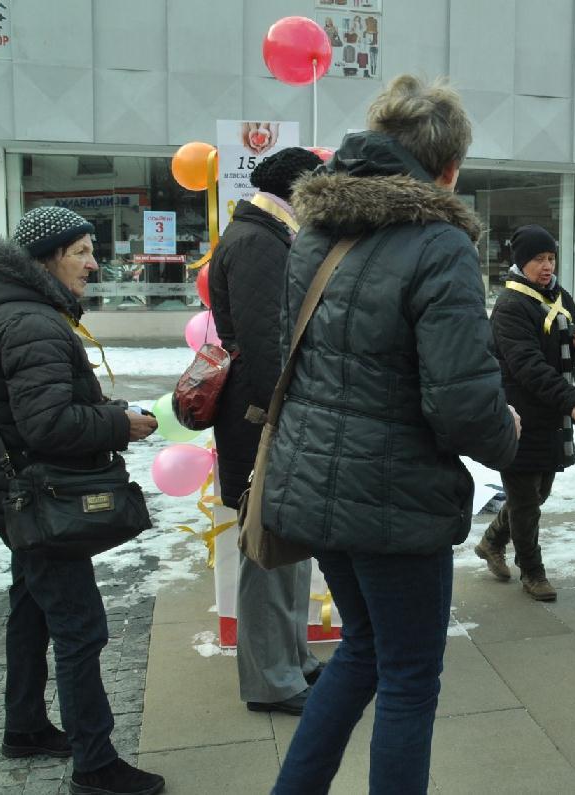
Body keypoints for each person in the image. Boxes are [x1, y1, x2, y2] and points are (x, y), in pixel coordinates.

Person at [264, 75, 521, 794]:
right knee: (409, 678)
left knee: (364, 648)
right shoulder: (437, 244)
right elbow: (464, 405)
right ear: (448, 168)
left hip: (315, 485)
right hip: (393, 500)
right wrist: (509, 432)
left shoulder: (316, 231)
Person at [0, 206, 165, 795]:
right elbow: (48, 425)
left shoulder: (17, 313)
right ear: (48, 258)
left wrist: (104, 411)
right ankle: (96, 765)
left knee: (30, 609)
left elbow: (33, 412)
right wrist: (118, 424)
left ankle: (24, 727)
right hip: (40, 502)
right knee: (80, 629)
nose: (93, 262)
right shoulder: (32, 323)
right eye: (81, 251)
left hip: (18, 497)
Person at [208, 147, 325, 717]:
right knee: (266, 548)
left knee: (287, 545)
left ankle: (294, 660)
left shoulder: (264, 233)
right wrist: (290, 415)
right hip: (263, 422)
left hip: (268, 419)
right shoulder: (259, 240)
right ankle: (271, 680)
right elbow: (267, 347)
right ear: (299, 189)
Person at [476, 224, 575, 602]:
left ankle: (493, 540)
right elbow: (527, 366)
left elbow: (562, 351)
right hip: (519, 415)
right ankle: (533, 572)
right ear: (520, 263)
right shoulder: (511, 306)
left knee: (539, 491)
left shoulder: (558, 297)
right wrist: (571, 398)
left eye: (550, 258)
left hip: (552, 413)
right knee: (526, 500)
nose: (547, 266)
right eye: (538, 260)